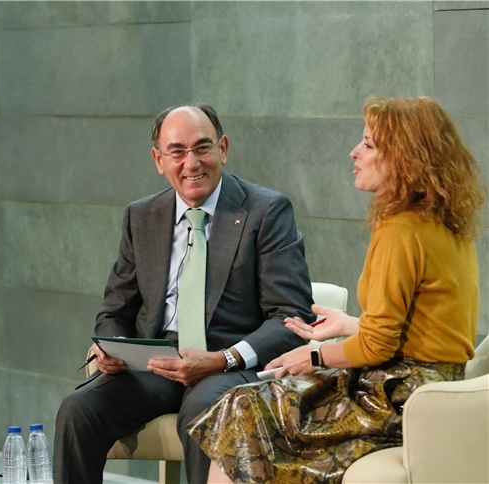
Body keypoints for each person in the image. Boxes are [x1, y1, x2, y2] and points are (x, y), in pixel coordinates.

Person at [188, 96, 485, 484]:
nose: (354, 152)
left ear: (404, 156)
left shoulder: (400, 230)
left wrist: (311, 356)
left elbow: (379, 348)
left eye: (369, 144)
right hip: (429, 386)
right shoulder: (442, 223)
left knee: (242, 406)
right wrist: (349, 324)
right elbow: (428, 332)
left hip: (398, 398)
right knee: (252, 406)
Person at [53, 104, 314, 484]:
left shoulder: (266, 211)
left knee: (202, 409)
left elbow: (291, 316)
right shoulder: (142, 216)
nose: (191, 163)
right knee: (79, 408)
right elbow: (115, 308)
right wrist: (112, 349)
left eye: (202, 148)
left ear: (223, 148)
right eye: (177, 151)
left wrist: (222, 359)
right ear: (159, 160)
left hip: (231, 365)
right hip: (157, 365)